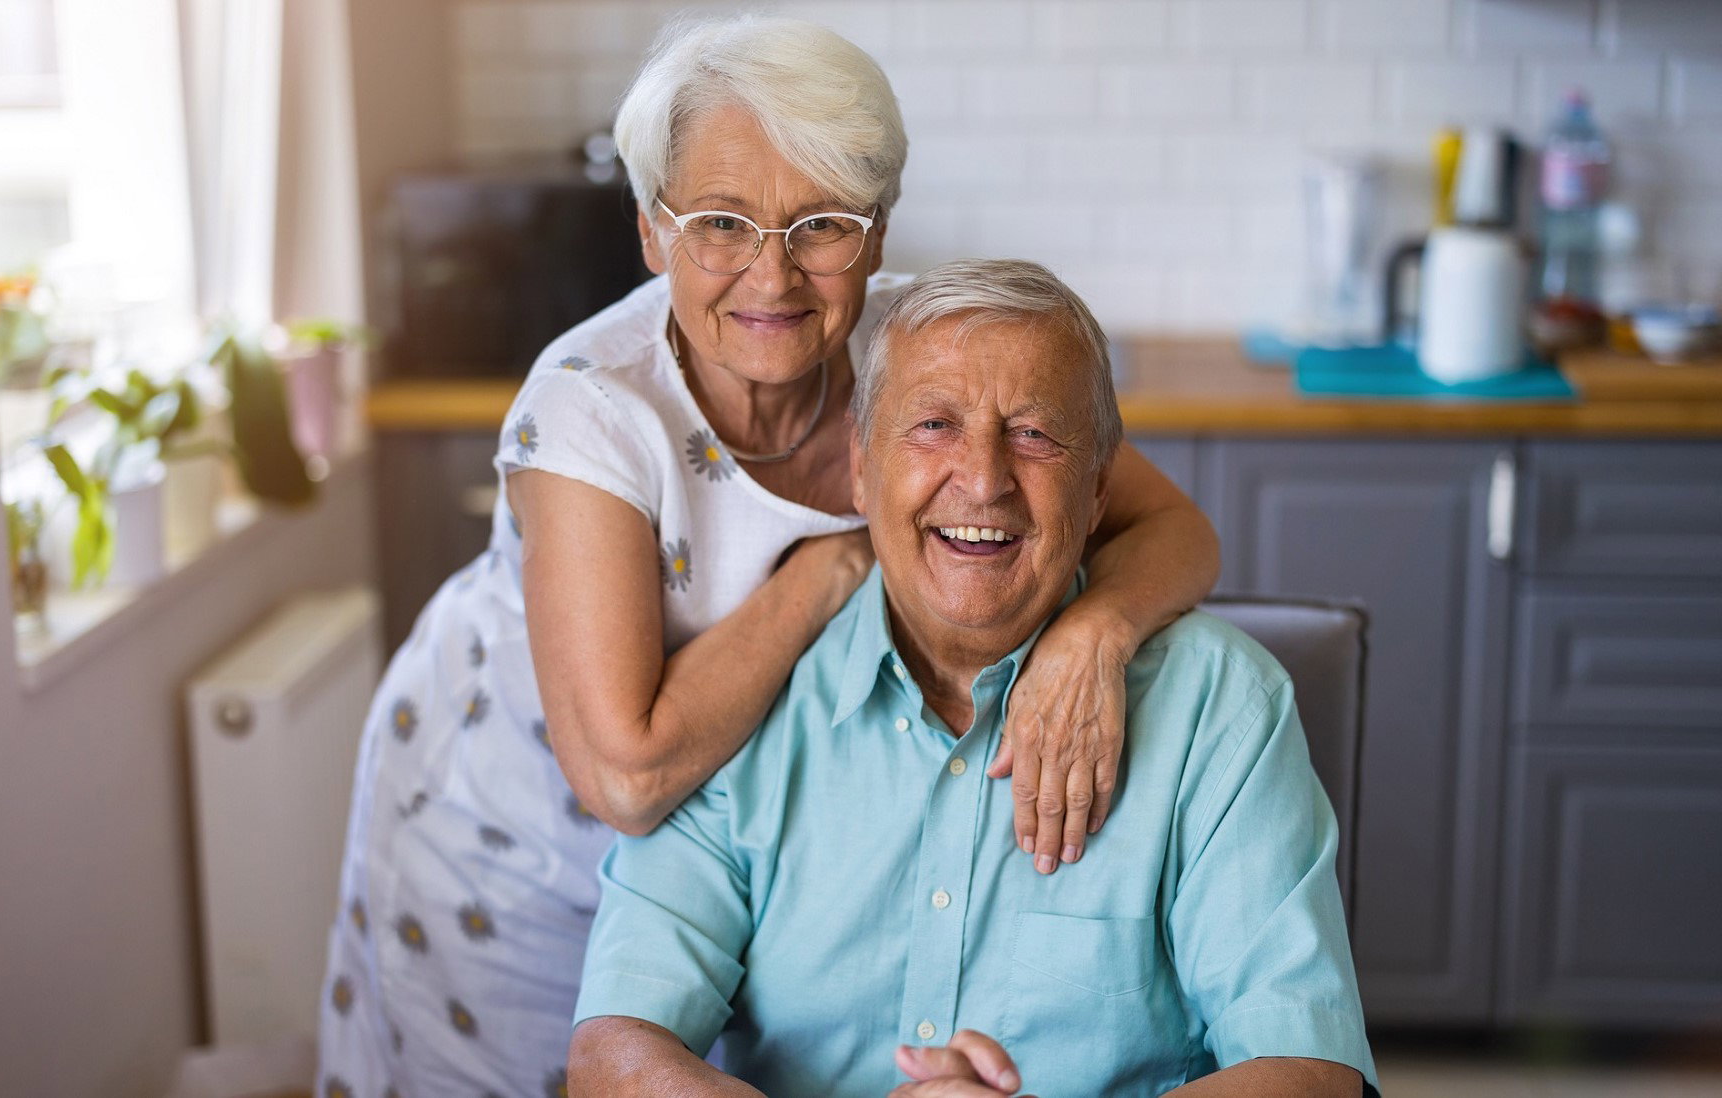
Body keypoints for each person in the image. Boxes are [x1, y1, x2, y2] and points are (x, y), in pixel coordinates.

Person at [317, 16, 1221, 1098]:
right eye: (719, 223)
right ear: (652, 232)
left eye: (821, 224)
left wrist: (1091, 634)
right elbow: (625, 772)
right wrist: (828, 572)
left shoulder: (918, 360)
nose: (771, 274)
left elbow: (1175, 531)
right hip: (513, 846)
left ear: (879, 234)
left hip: (736, 860)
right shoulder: (593, 409)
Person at [568, 260, 1377, 1098]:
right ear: (858, 467)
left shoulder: (1219, 707)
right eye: (932, 425)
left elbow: (1308, 1076)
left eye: (1033, 434)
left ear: (1098, 490)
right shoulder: (750, 700)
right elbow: (615, 1051)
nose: (983, 479)